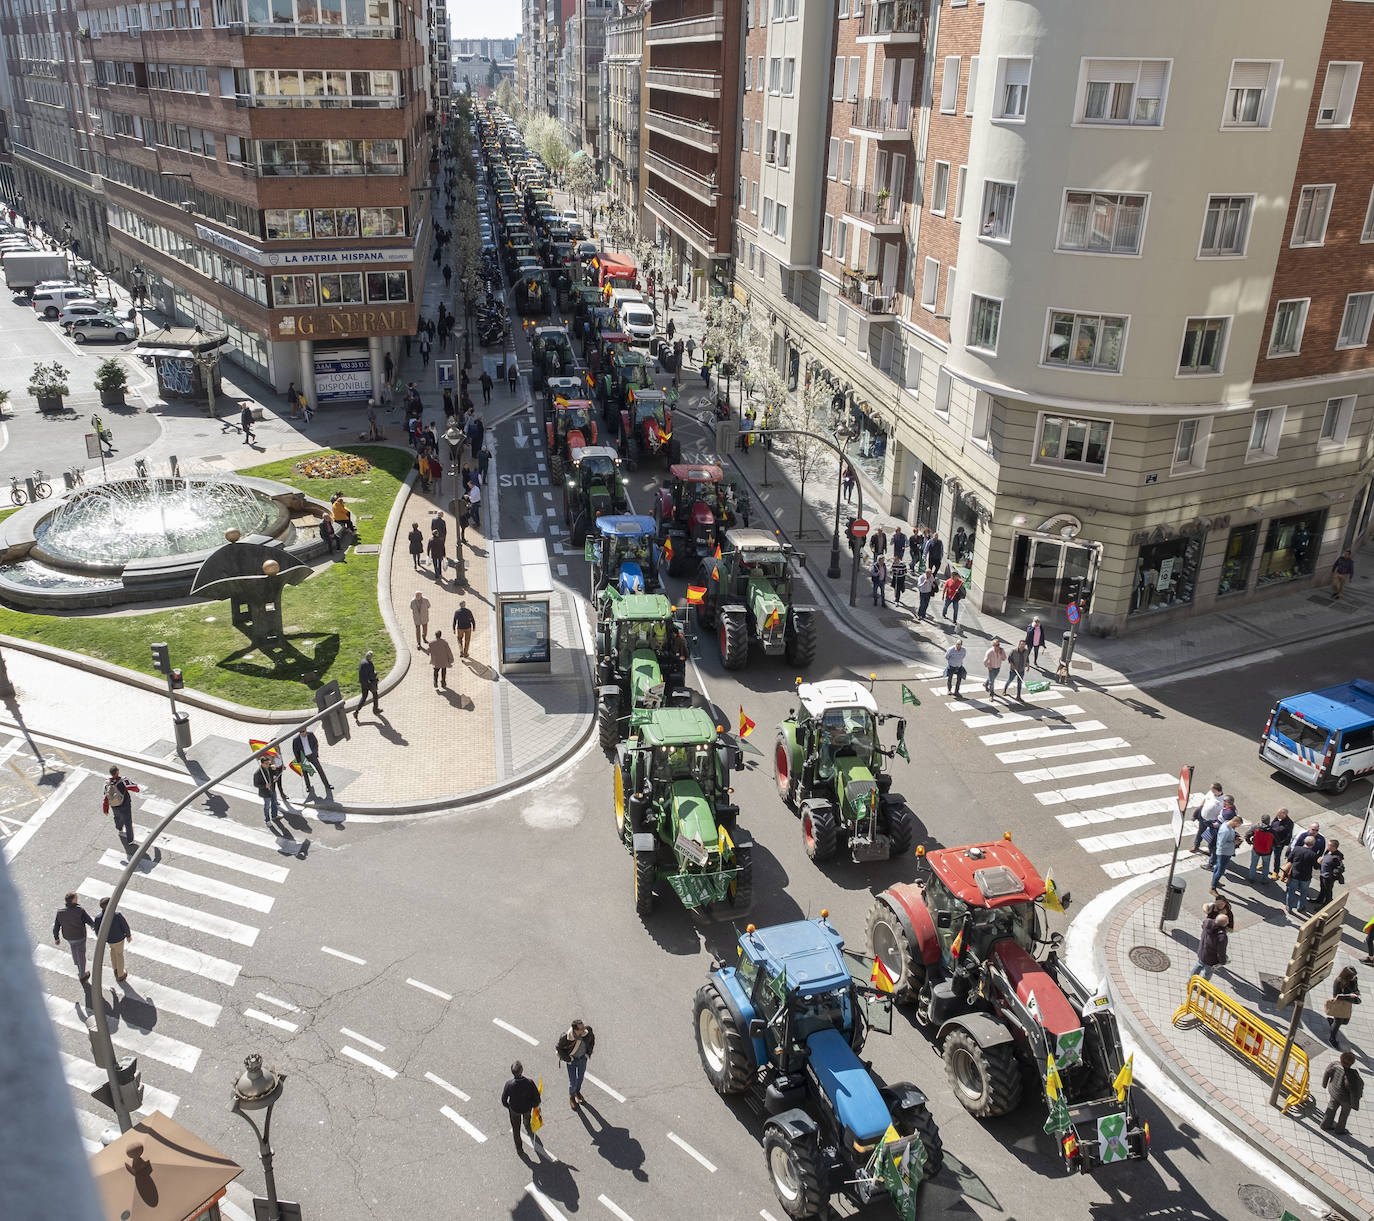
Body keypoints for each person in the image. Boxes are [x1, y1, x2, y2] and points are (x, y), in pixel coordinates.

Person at [501, 1061, 542, 1157]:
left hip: (514, 1110)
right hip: (526, 1108)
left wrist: (509, 1107)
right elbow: (537, 1099)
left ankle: (519, 1149)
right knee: (527, 1118)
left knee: (516, 1130)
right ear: (522, 1070)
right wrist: (533, 1105)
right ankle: (527, 1125)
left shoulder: (509, 1084)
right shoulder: (529, 1082)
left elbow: (503, 1100)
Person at [53, 892, 95, 981]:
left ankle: (77, 963)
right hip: (80, 936)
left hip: (68, 936)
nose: (77, 899)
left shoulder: (60, 912)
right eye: (76, 898)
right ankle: (82, 975)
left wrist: (56, 937)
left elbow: (56, 926)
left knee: (74, 949)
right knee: (81, 954)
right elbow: (89, 921)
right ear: (73, 900)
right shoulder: (79, 910)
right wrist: (95, 926)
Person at [556, 1018, 595, 1108]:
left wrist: (588, 1054)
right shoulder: (566, 1037)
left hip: (582, 1059)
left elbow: (592, 1040)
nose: (583, 1029)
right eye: (581, 1028)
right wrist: (568, 1059)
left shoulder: (587, 1031)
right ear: (575, 1030)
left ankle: (577, 1092)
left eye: (583, 1027)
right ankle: (572, 1097)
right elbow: (559, 1048)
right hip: (572, 1061)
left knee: (580, 1078)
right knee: (572, 1082)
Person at [1321, 1050, 1362, 1133]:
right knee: (1344, 1114)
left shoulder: (1334, 1065)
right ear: (1352, 1063)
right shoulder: (1352, 1075)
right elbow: (1354, 1090)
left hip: (1334, 1093)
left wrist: (1324, 1084)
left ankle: (1325, 1124)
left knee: (1331, 1109)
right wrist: (1355, 1104)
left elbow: (1327, 1072)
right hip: (1345, 1099)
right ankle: (1340, 1130)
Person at [103, 765, 139, 854]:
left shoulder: (107, 783)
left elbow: (106, 797)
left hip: (114, 806)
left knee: (117, 817)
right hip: (125, 805)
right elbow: (135, 788)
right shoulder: (124, 780)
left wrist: (105, 809)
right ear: (117, 771)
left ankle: (119, 827)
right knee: (128, 822)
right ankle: (130, 840)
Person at [96, 897, 133, 982]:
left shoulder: (98, 918)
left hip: (109, 940)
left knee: (112, 951)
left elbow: (97, 930)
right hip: (119, 939)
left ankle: (115, 968)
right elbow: (125, 926)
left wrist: (101, 939)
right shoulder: (117, 915)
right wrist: (128, 935)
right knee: (119, 955)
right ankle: (121, 974)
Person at [1326, 965, 1361, 1046]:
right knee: (1338, 1022)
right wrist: (1349, 996)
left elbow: (1356, 989)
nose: (1354, 978)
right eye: (1352, 976)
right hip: (1339, 1006)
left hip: (1348, 1005)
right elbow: (1336, 996)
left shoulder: (1354, 979)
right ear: (1347, 976)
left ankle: (1332, 1022)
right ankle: (1332, 1038)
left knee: (1345, 1021)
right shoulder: (1338, 981)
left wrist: (1356, 992)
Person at [1286, 834, 1320, 915]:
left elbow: (1289, 859)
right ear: (1313, 844)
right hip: (1305, 877)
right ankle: (1300, 907)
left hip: (1295, 875)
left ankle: (1289, 907)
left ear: (1304, 842)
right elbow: (1316, 867)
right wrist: (1319, 862)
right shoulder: (1313, 854)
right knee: (1304, 892)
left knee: (1291, 891)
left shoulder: (1297, 849)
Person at [292, 728, 330, 796]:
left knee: (320, 770)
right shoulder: (296, 739)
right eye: (300, 732)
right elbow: (295, 751)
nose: (302, 733)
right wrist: (299, 761)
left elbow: (316, 743)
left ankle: (327, 785)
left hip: (312, 756)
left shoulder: (311, 734)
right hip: (303, 758)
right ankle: (308, 787)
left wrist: (315, 753)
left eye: (303, 731)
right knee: (305, 772)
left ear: (306, 730)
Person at [1191, 910, 1229, 981]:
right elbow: (1221, 951)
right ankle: (1202, 989)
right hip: (1211, 959)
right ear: (1224, 924)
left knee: (1198, 965)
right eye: (1227, 921)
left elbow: (1203, 925)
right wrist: (1222, 961)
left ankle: (1190, 982)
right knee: (1207, 973)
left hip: (1202, 952)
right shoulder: (1222, 936)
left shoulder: (1208, 922)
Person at [1211, 815, 1242, 894]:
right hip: (1223, 852)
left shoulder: (1228, 825)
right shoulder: (1225, 830)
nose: (1237, 827)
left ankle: (1215, 881)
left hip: (1227, 851)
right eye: (1238, 825)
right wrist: (1234, 843)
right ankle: (1213, 887)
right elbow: (1222, 844)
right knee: (1221, 870)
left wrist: (1235, 838)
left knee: (1218, 867)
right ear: (1235, 822)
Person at [1191, 782, 1225, 854]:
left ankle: (1210, 849)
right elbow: (1205, 800)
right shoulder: (1210, 793)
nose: (1211, 791)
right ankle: (1196, 845)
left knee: (1211, 836)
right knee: (1200, 832)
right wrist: (1199, 809)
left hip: (1213, 821)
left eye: (1213, 790)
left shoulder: (1223, 800)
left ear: (1217, 790)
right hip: (1203, 818)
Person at [1246, 813, 1275, 882]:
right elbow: (1277, 841)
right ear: (1269, 821)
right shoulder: (1272, 830)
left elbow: (1247, 835)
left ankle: (1251, 878)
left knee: (1253, 864)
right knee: (1266, 865)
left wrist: (1250, 842)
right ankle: (1264, 879)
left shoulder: (1256, 827)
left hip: (1256, 849)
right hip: (1267, 851)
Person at [1318, 840, 1346, 909]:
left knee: (1328, 891)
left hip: (1328, 877)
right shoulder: (1328, 851)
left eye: (1329, 845)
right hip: (1322, 874)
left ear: (1334, 847)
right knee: (1322, 888)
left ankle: (1326, 904)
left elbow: (1341, 868)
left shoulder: (1337, 857)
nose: (1327, 846)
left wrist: (1332, 874)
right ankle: (1319, 900)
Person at [354, 649, 382, 720]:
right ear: (370, 657)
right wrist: (375, 673)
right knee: (375, 695)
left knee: (364, 697)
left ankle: (357, 711)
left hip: (363, 683)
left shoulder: (362, 662)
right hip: (370, 683)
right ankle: (375, 710)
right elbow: (372, 675)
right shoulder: (370, 664)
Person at [1269, 808, 1295, 877]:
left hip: (1279, 844)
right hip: (1271, 840)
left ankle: (1276, 871)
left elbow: (1288, 836)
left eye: (1279, 814)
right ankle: (1264, 865)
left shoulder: (1289, 823)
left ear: (1284, 814)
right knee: (1267, 854)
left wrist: (1280, 843)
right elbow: (1272, 825)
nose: (1277, 815)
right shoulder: (1277, 818)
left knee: (1277, 857)